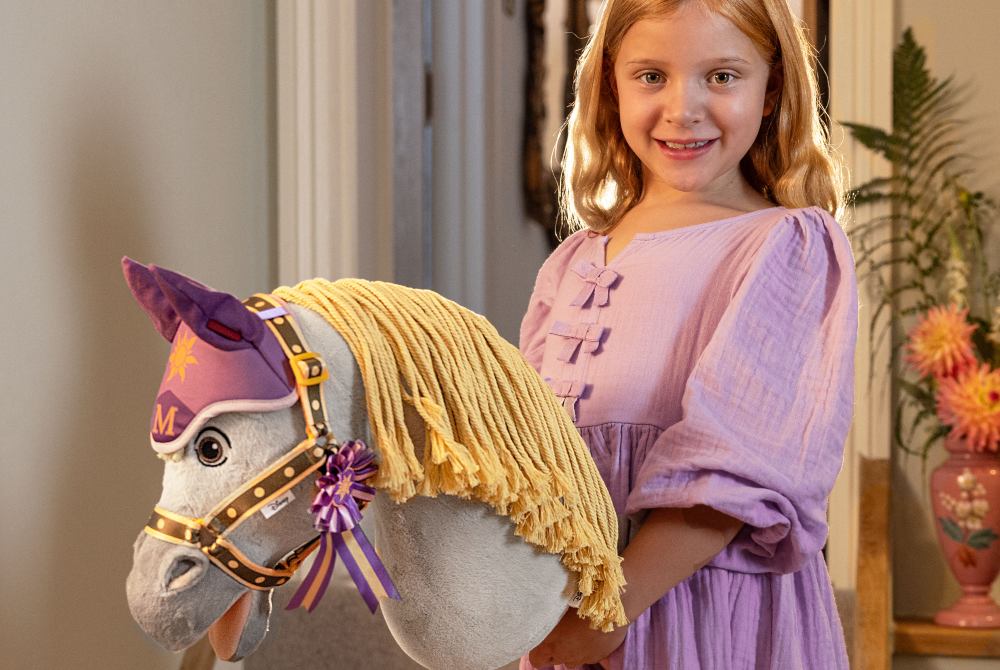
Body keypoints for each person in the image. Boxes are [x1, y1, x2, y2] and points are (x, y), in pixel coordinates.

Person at [518, 0, 858, 668]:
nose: (683, 108)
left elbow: (730, 464)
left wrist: (609, 611)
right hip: (567, 623)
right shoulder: (574, 260)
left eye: (722, 77)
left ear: (772, 92)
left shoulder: (785, 246)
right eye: (652, 76)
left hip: (706, 622)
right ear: (611, 84)